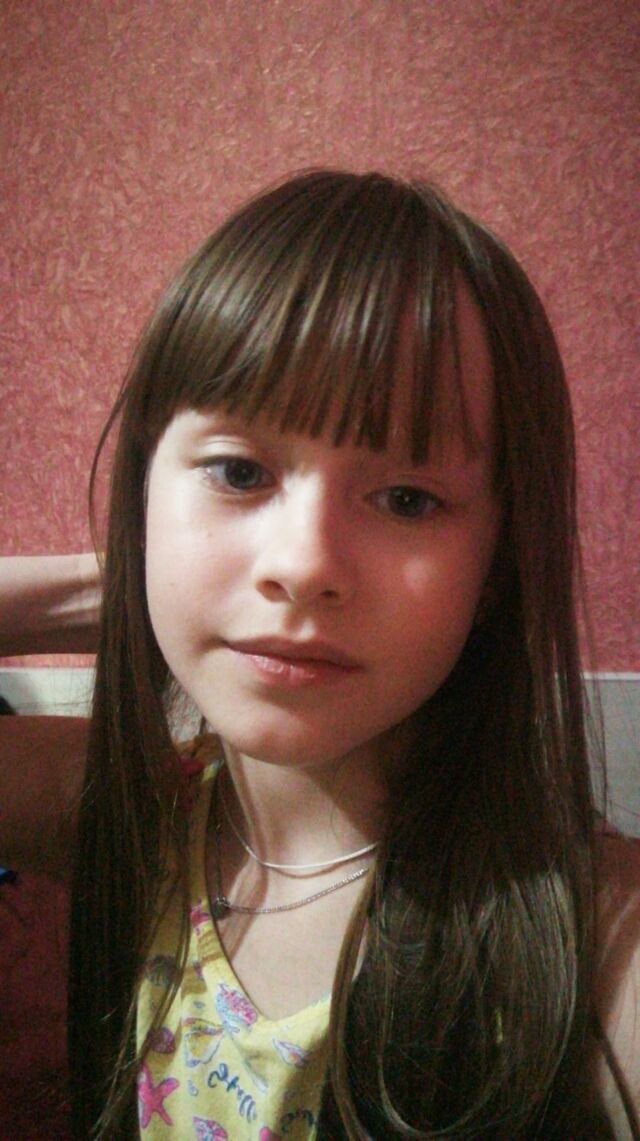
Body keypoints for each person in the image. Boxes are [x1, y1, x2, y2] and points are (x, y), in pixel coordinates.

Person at [1, 170, 639, 1140]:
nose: (303, 566)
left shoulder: (594, 935)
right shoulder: (125, 810)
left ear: (497, 565)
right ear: (143, 490)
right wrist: (134, 582)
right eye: (238, 471)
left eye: (407, 499)